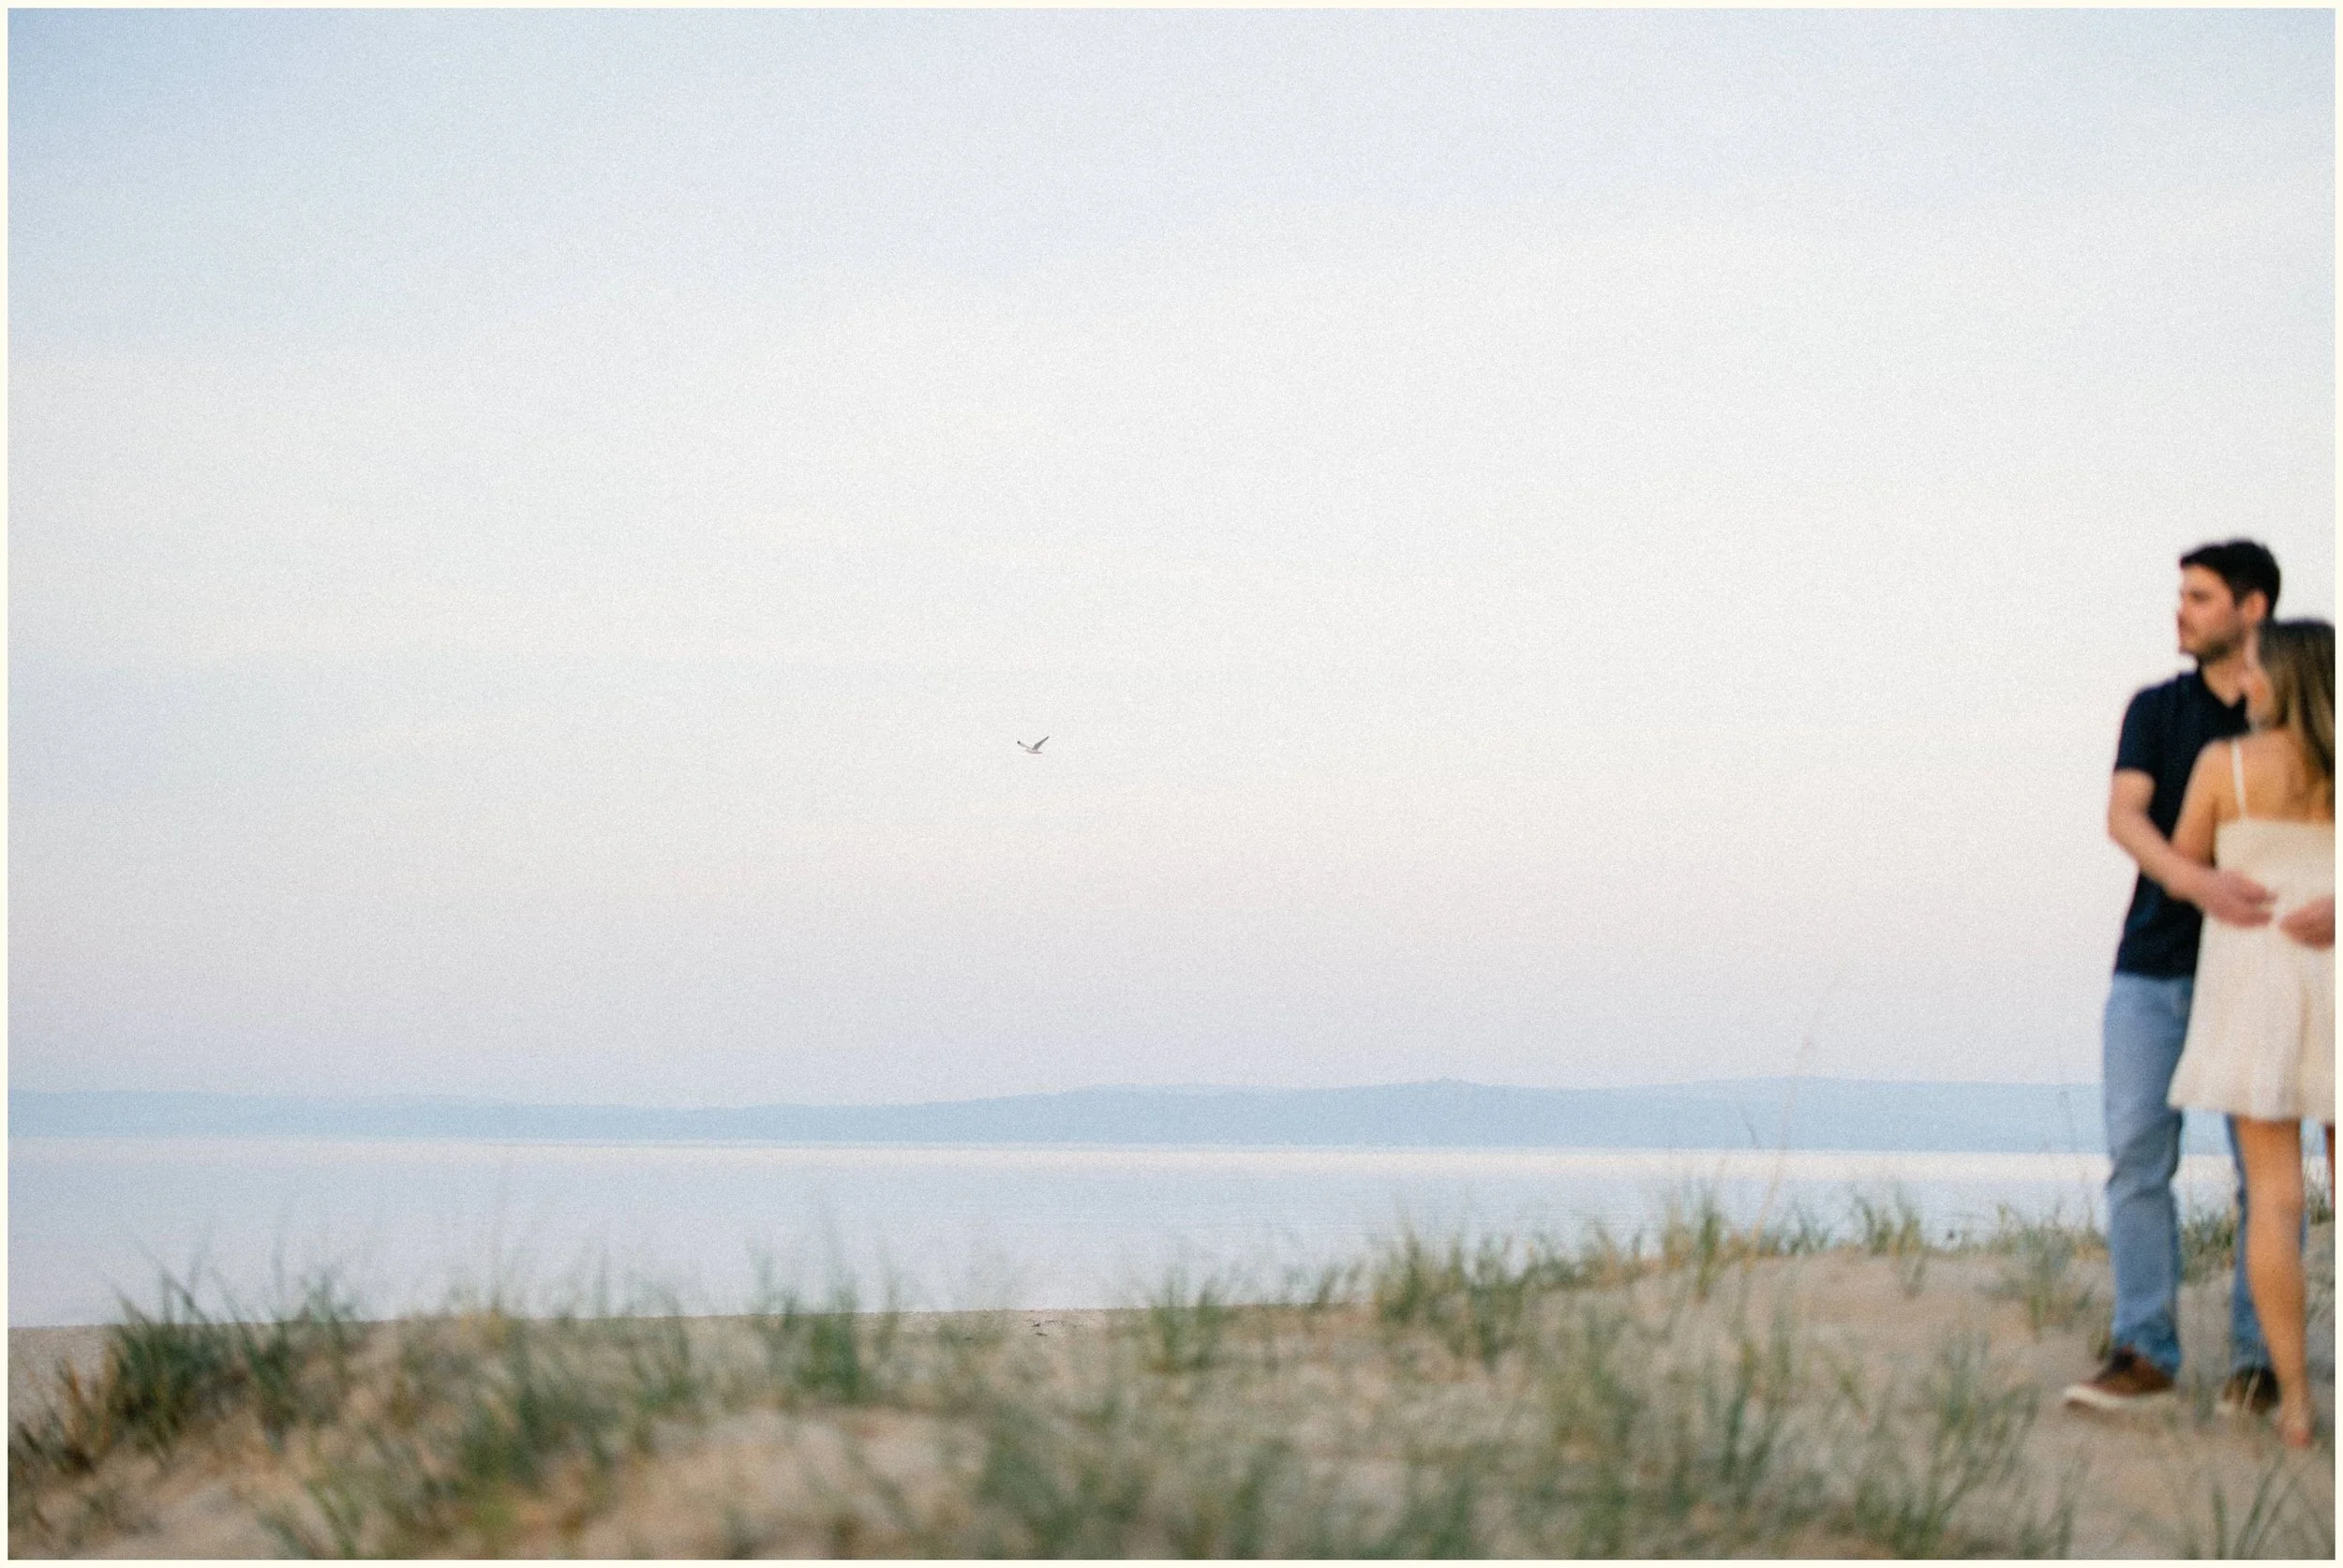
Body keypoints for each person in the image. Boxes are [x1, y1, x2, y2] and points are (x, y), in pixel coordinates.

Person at [2062, 541, 2290, 1417]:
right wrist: (2196, 881)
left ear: (2253, 606)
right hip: (2153, 964)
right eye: (2181, 595)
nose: (2181, 611)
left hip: (2263, 968)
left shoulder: (2301, 709)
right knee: (2136, 1157)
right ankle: (2145, 1350)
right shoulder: (2157, 708)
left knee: (2263, 1176)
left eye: (2199, 596)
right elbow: (2124, 814)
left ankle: (2260, 1360)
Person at [2164, 618, 2336, 1447]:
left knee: (2273, 1200)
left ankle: (2297, 1402)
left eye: (2255, 668)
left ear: (2275, 680)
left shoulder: (2223, 764)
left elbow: (2187, 862)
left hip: (2259, 978)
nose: (2244, 680)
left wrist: (2216, 883)